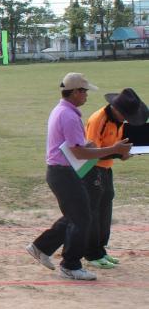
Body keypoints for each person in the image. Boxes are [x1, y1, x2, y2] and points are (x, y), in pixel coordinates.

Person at [27, 73, 132, 281]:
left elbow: (77, 147)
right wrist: (114, 149)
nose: (86, 95)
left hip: (62, 171)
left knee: (76, 215)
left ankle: (41, 247)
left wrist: (92, 147)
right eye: (84, 91)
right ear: (75, 92)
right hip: (64, 172)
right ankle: (70, 265)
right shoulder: (69, 115)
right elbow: (79, 153)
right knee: (82, 218)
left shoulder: (63, 111)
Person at [83, 88, 148, 269]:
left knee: (105, 209)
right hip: (92, 170)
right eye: (127, 115)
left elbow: (114, 147)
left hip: (106, 168)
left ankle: (101, 250)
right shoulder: (98, 120)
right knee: (93, 212)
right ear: (117, 109)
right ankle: (91, 254)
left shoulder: (119, 121)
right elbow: (91, 152)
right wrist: (118, 153)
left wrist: (123, 154)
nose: (128, 119)